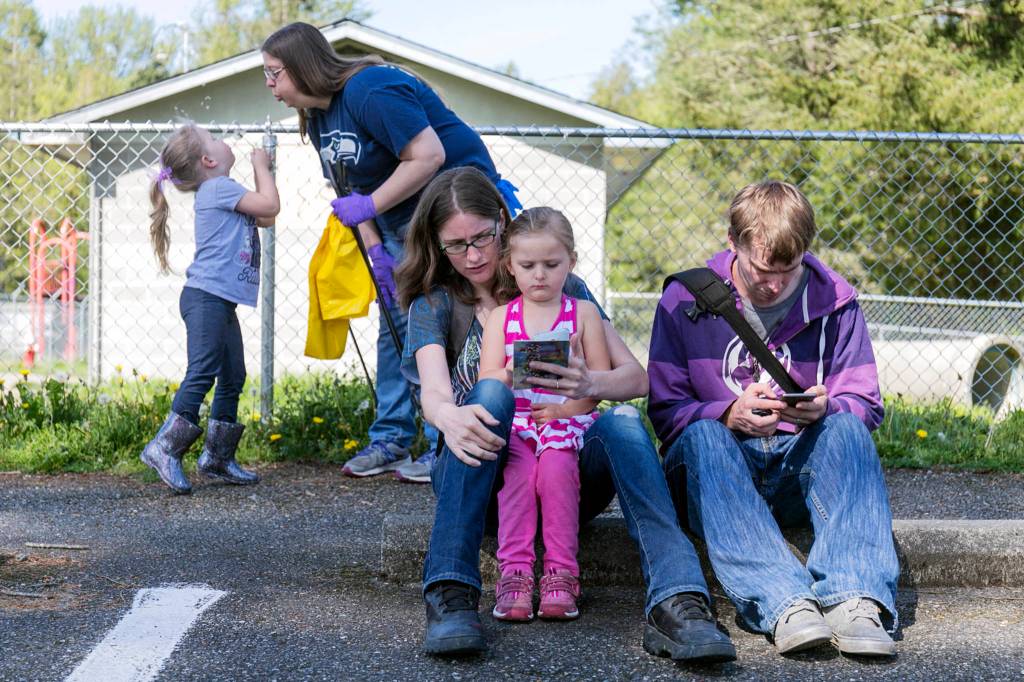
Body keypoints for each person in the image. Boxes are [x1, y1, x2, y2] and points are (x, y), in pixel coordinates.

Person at [395, 167, 736, 662]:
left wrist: (588, 384)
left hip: (567, 459)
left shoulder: (561, 284)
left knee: (622, 422)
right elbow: (434, 393)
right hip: (485, 468)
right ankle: (451, 594)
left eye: (483, 238)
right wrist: (451, 418)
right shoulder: (435, 302)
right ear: (436, 245)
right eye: (455, 245)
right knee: (490, 395)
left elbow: (636, 379)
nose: (472, 256)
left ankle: (678, 599)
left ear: (502, 226)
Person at [648, 180, 899, 657]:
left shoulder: (837, 301)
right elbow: (664, 412)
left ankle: (856, 599)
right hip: (716, 474)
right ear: (732, 242)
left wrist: (827, 408)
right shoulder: (683, 299)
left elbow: (865, 402)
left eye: (790, 269)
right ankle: (785, 603)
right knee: (703, 435)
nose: (776, 284)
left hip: (793, 469)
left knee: (846, 427)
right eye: (763, 269)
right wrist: (726, 412)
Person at [261, 22, 521, 483]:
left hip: (455, 217)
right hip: (399, 224)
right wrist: (376, 248)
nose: (270, 85)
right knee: (396, 326)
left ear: (303, 67)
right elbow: (350, 193)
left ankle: (446, 438)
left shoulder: (369, 89)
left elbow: (429, 154)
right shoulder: (320, 118)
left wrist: (370, 205)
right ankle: (393, 438)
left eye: (275, 73)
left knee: (448, 319)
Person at [478, 207, 610, 622]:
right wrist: (520, 364)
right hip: (516, 422)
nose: (539, 275)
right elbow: (487, 384)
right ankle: (515, 572)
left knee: (555, 473)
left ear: (571, 262)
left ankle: (561, 572)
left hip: (565, 420)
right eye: (527, 265)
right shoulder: (502, 318)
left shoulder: (584, 313)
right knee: (518, 476)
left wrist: (563, 409)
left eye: (551, 265)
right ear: (510, 267)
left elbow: (597, 386)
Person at [140, 123, 280, 494]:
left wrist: (260, 174)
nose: (224, 141)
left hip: (217, 299)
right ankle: (165, 447)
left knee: (233, 374)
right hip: (205, 298)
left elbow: (265, 216)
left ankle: (217, 458)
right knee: (203, 371)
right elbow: (270, 205)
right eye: (215, 140)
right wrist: (262, 169)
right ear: (208, 159)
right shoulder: (218, 188)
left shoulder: (224, 191)